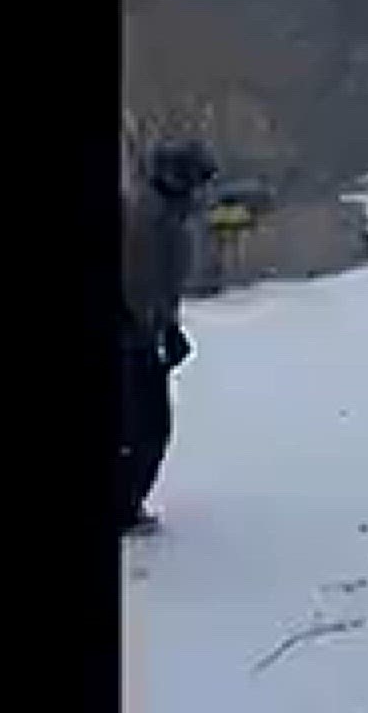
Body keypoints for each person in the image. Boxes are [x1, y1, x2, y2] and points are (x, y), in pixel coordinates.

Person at [120, 139, 217, 535]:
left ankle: (127, 504)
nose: (202, 191)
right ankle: (124, 509)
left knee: (145, 427)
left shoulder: (166, 217)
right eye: (198, 181)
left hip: (142, 334)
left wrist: (167, 327)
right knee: (144, 428)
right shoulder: (150, 219)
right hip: (132, 337)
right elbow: (140, 284)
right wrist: (155, 332)